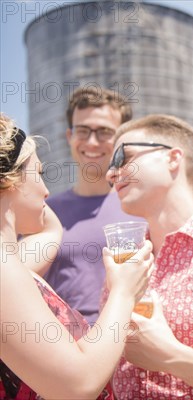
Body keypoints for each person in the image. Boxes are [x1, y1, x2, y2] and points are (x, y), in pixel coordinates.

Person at [0, 113, 154, 399]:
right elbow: (77, 386)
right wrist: (123, 291)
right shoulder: (4, 269)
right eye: (40, 174)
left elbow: (50, 230)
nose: (47, 192)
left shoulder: (13, 261)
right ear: (11, 180)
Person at [104, 114, 193, 399]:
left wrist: (170, 355)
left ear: (172, 159)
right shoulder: (124, 264)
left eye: (123, 157)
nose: (111, 173)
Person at [39, 86, 141, 325]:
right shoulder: (42, 213)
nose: (92, 142)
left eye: (104, 131)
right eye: (83, 130)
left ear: (121, 141)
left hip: (133, 349)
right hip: (63, 350)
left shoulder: (142, 207)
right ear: (69, 137)